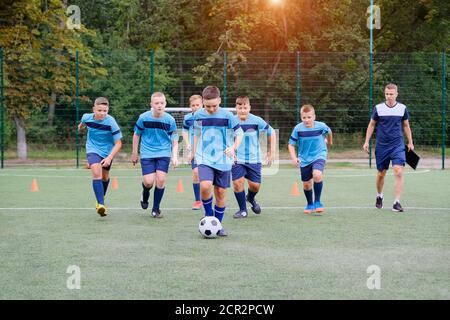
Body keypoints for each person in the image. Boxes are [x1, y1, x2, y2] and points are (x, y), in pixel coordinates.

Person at [191, 86, 243, 236]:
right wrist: (193, 153)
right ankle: (208, 216)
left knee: (220, 192)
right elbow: (196, 134)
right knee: (205, 185)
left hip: (223, 159)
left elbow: (239, 134)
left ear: (219, 100)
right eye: (208, 106)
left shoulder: (228, 116)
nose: (212, 109)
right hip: (204, 157)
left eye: (214, 105)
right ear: (202, 102)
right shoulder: (198, 115)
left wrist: (233, 148)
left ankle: (218, 225)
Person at [363, 83, 414, 212]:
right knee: (381, 174)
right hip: (382, 146)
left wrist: (410, 142)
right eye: (387, 94)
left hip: (397, 145)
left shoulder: (402, 108)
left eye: (391, 94)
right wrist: (366, 141)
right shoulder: (378, 108)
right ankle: (379, 196)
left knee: (398, 171)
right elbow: (371, 125)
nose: (389, 96)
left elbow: (406, 126)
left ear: (396, 94)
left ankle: (397, 203)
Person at [132, 92, 179, 218]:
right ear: (151, 104)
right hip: (147, 152)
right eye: (156, 103)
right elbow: (137, 134)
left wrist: (174, 156)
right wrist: (134, 152)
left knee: (161, 179)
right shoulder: (143, 117)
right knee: (148, 182)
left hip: (164, 152)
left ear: (165, 104)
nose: (159, 105)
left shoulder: (170, 119)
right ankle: (145, 193)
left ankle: (156, 209)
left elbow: (174, 138)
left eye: (162, 103)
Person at [231, 96, 276, 218]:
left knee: (255, 186)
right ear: (236, 108)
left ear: (249, 108)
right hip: (237, 159)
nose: (242, 110)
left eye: (245, 107)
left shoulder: (257, 120)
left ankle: (250, 198)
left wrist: (271, 151)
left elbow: (272, 132)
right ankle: (243, 210)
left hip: (254, 159)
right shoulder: (231, 121)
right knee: (237, 182)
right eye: (240, 107)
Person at [78, 97, 122, 217]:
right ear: (94, 109)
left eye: (105, 111)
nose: (102, 113)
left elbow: (118, 143)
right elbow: (82, 124)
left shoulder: (111, 122)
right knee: (96, 173)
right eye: (99, 110)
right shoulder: (86, 117)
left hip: (108, 152)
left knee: (105, 176)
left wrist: (109, 157)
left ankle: (101, 197)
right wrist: (81, 127)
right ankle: (101, 204)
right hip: (92, 149)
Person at [288, 104, 332, 214]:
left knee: (317, 174)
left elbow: (329, 131)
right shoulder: (298, 129)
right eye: (304, 118)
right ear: (301, 117)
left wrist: (330, 141)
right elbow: (291, 144)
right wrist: (294, 158)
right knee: (307, 184)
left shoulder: (321, 126)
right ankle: (310, 203)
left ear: (314, 116)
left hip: (319, 154)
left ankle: (317, 202)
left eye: (309, 117)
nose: (307, 120)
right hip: (304, 158)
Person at [182, 94, 203, 210]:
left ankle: (208, 198)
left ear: (202, 105)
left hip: (208, 151)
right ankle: (197, 201)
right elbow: (184, 131)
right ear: (190, 106)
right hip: (194, 151)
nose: (195, 107)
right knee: (196, 173)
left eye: (198, 105)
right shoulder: (188, 118)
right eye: (193, 105)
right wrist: (188, 144)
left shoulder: (207, 117)